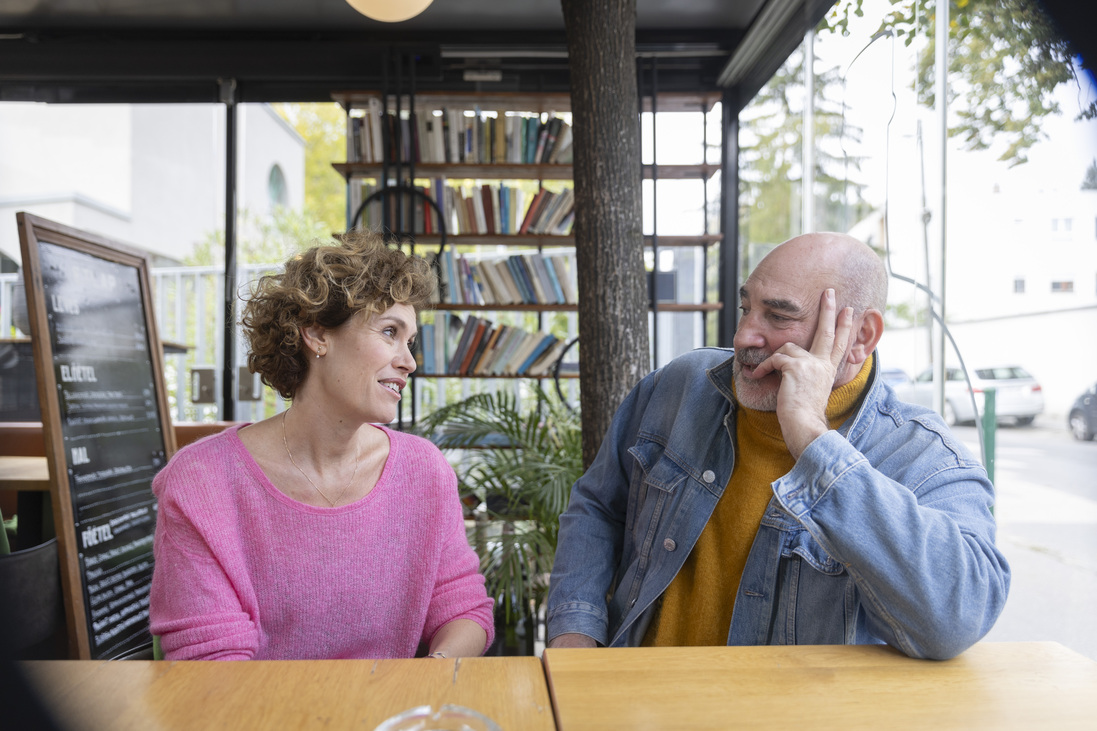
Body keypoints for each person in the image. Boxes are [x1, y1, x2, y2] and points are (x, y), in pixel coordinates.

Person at [546, 232, 1009, 660]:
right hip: (637, 705)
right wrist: (575, 631)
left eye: (780, 315)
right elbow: (598, 508)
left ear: (860, 337)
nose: (745, 335)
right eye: (747, 307)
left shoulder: (921, 456)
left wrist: (814, 440)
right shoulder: (680, 387)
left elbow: (957, 618)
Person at [150, 232, 494, 660]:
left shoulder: (424, 470)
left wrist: (434, 675)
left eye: (410, 342)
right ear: (316, 334)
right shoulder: (203, 482)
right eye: (390, 332)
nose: (409, 361)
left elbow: (461, 608)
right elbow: (213, 665)